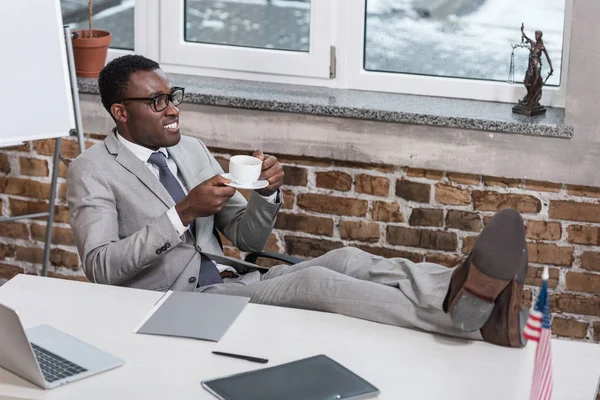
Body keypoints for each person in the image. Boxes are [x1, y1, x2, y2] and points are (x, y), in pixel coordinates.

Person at [68, 55, 530, 349]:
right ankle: (466, 323)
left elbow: (246, 236)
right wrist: (182, 212)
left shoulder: (190, 149)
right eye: (157, 102)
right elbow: (101, 267)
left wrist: (266, 193)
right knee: (319, 286)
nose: (173, 109)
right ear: (120, 112)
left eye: (173, 97)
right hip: (178, 302)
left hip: (234, 279)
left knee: (346, 258)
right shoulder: (93, 170)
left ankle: (463, 286)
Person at [519, 23, 553, 108]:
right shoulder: (532, 43)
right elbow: (525, 36)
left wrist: (551, 67)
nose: (536, 36)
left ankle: (533, 97)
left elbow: (548, 57)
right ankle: (529, 95)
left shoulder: (541, 47)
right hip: (531, 64)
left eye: (537, 35)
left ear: (540, 36)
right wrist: (522, 30)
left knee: (536, 79)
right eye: (535, 34)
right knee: (527, 80)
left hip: (537, 64)